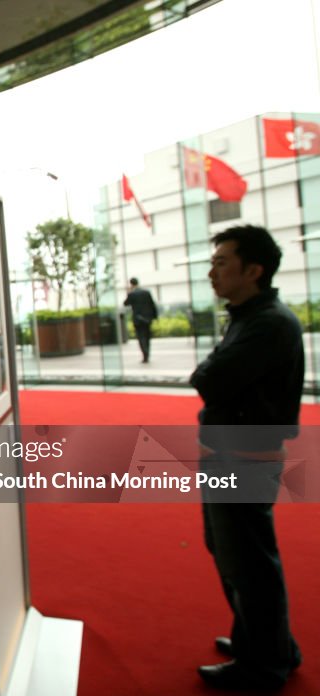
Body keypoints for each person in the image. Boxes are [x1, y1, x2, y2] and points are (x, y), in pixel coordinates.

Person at [190, 225, 304, 692]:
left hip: (244, 455)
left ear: (253, 270)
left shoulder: (268, 323)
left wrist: (209, 371)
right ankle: (267, 644)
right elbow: (216, 374)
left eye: (222, 262)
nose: (212, 271)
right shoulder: (248, 315)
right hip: (231, 450)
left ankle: (263, 665)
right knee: (233, 552)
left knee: (248, 560)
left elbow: (210, 379)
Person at [123, 277, 158, 363]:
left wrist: (128, 292)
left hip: (138, 319)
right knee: (147, 336)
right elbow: (152, 304)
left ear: (131, 284)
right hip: (147, 318)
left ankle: (145, 354)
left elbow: (125, 303)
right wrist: (155, 316)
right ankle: (147, 353)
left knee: (141, 337)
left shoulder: (132, 294)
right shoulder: (146, 292)